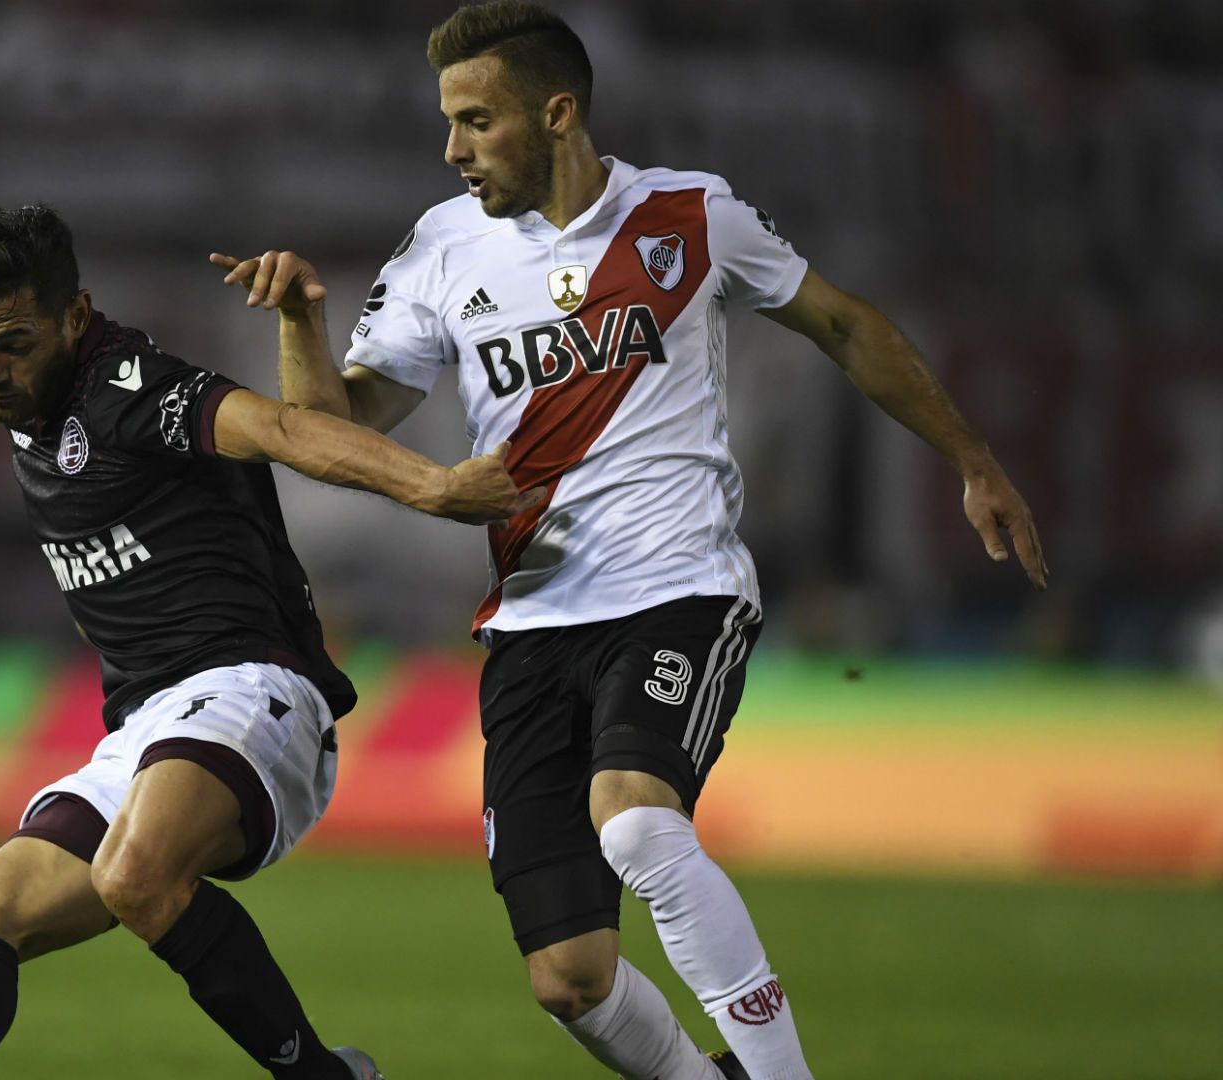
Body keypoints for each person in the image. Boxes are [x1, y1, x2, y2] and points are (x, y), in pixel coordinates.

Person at [213, 3, 1048, 1078]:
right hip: (531, 627)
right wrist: (299, 324)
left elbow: (842, 321)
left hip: (677, 594)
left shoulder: (690, 217)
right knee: (568, 975)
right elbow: (339, 427)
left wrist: (973, 457)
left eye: (476, 121)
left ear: (557, 113)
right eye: (448, 123)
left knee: (637, 821)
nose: (452, 148)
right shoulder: (442, 248)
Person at [0, 203, 537, 1080]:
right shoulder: (30, 403)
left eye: (14, 343)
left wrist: (437, 490)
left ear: (76, 318)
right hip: (144, 728)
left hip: (255, 693)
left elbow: (283, 429)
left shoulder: (132, 389)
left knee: (135, 875)